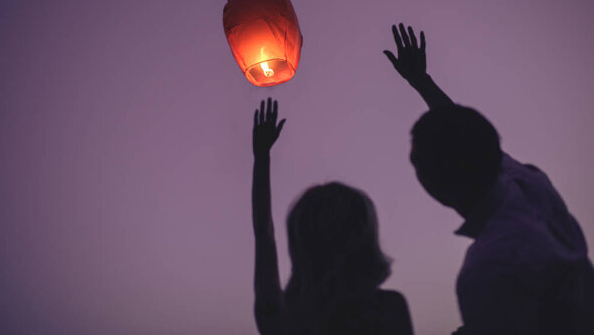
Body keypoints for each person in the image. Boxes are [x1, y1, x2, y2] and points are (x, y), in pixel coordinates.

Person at [383, 23, 594, 335]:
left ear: (436, 191)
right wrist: (421, 81)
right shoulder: (533, 187)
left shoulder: (486, 271)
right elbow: (464, 137)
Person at [251, 98, 413, 335]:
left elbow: (263, 232)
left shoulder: (280, 313)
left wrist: (261, 157)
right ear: (364, 235)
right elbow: (263, 232)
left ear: (300, 239)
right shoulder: (387, 309)